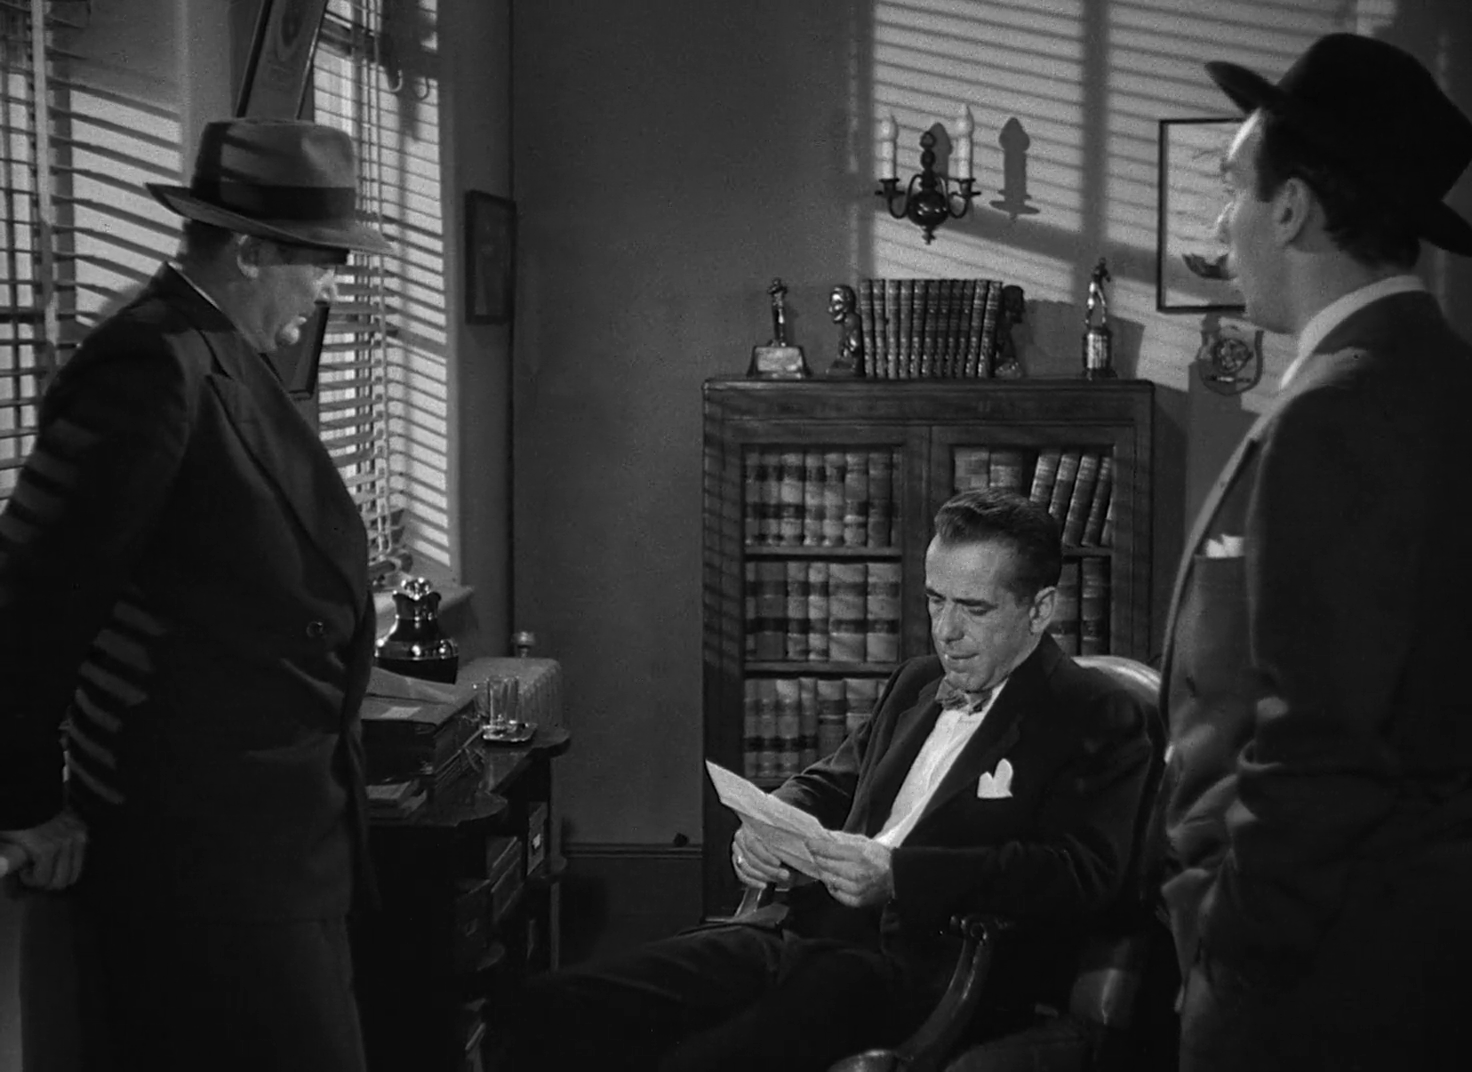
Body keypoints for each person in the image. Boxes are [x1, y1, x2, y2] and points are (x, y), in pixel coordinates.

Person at [505, 490, 1156, 1071]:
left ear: (1040, 610)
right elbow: (832, 781)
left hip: (924, 974)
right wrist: (768, 823)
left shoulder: (1096, 713)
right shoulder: (917, 681)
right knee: (548, 1007)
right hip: (801, 932)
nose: (946, 632)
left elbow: (1082, 874)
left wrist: (900, 875)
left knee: (693, 1061)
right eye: (935, 601)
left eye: (974, 609)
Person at [0, 118, 392, 1071]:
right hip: (200, 862)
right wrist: (24, 798)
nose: (332, 287)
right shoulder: (150, 363)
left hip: (277, 847)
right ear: (250, 251)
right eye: (322, 262)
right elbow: (36, 594)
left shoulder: (224, 351)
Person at [1159, 33, 1472, 1071]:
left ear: (1290, 207)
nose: (1220, 225)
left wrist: (1237, 947)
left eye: (1231, 189)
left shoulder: (1345, 405)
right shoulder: (1430, 376)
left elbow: (1320, 734)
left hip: (1319, 975)